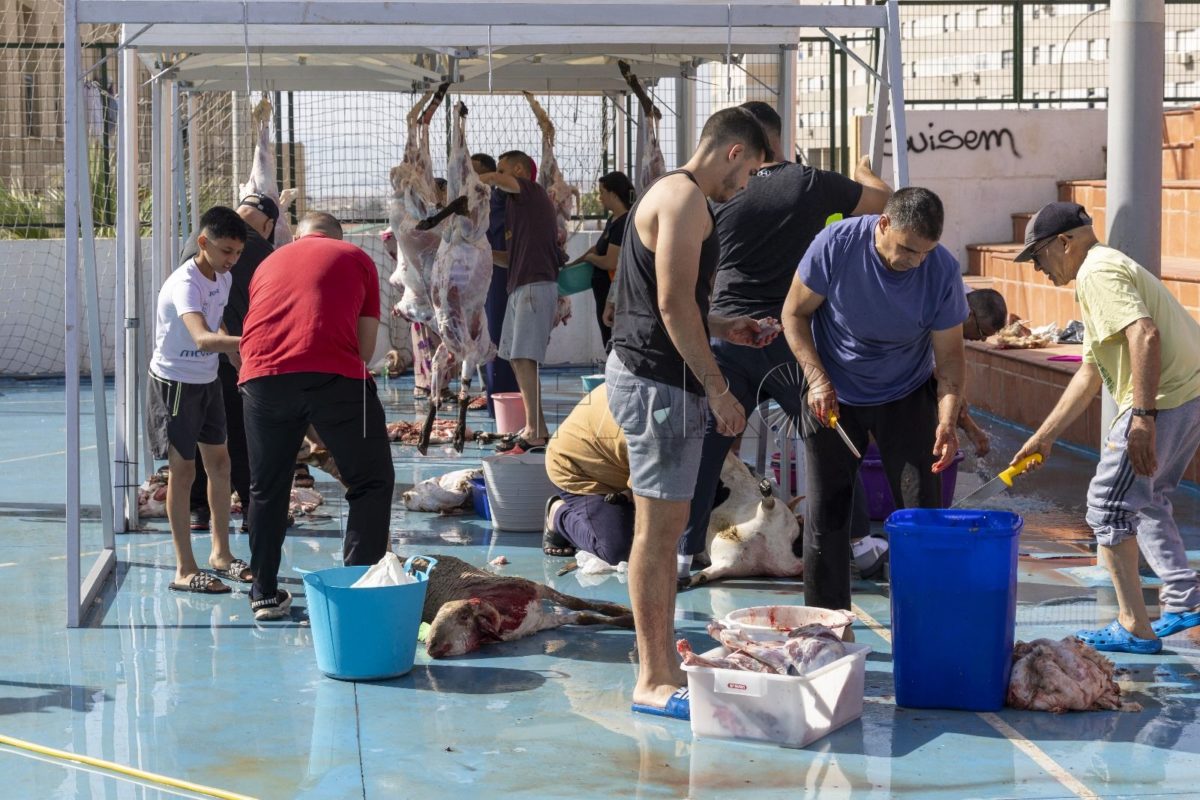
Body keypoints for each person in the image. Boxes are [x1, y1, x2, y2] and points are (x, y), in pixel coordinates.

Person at [607, 106, 772, 719]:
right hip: (660, 387)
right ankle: (653, 676)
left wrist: (726, 326)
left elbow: (671, 304)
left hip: (654, 379)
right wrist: (719, 389)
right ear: (733, 152)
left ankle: (660, 664)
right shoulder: (684, 200)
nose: (745, 186)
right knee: (659, 534)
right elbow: (673, 305)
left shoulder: (669, 193)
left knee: (664, 528)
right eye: (749, 172)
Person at [679, 100, 891, 572]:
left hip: (726, 333)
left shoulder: (714, 191)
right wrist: (862, 170)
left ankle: (684, 550)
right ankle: (858, 545)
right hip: (787, 339)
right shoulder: (811, 183)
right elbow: (886, 203)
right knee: (828, 439)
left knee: (709, 445)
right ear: (775, 139)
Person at [1009, 201, 1200, 654]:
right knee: (1146, 497)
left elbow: (1145, 334)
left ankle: (1134, 626)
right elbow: (1090, 370)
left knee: (1107, 507)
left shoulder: (1097, 272)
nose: (1037, 268)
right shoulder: (1102, 269)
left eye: (1038, 256)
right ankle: (1184, 599)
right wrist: (1044, 436)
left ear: (1064, 243)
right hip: (1188, 394)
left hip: (1163, 400)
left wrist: (1142, 418)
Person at [781, 187, 968, 616]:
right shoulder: (837, 244)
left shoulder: (941, 270)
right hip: (832, 391)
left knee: (923, 514)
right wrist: (816, 379)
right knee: (828, 514)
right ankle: (826, 625)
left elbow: (951, 358)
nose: (915, 262)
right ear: (883, 224)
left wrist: (946, 419)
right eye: (908, 250)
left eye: (925, 252)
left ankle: (925, 617)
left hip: (906, 393)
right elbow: (794, 313)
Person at [239, 212, 395, 621]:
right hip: (336, 379)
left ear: (299, 236)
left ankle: (264, 593)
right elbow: (364, 350)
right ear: (337, 238)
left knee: (267, 487)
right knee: (371, 482)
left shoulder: (268, 262)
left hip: (262, 378)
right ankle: (359, 589)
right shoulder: (357, 258)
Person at [147, 205, 251, 594]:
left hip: (207, 381)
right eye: (226, 251)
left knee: (220, 463)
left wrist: (236, 356)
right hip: (176, 384)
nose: (232, 259)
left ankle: (221, 554)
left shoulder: (222, 277)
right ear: (203, 242)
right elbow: (202, 339)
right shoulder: (185, 284)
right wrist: (253, 341)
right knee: (183, 471)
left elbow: (216, 322)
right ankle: (184, 568)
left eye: (237, 252)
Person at [184, 194, 279, 534]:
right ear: (268, 225)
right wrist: (245, 348)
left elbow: (213, 309)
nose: (232, 259)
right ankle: (254, 509)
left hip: (193, 363)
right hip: (234, 356)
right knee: (241, 434)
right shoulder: (264, 252)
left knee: (199, 437)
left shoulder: (200, 242)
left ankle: (198, 509)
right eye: (229, 252)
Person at [478, 150, 564, 453]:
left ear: (517, 170)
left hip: (534, 286)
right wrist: (479, 251)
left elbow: (494, 178)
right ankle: (536, 428)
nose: (498, 179)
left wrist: (473, 183)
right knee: (516, 357)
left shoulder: (530, 191)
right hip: (519, 287)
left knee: (524, 357)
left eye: (503, 171)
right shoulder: (517, 210)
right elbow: (507, 258)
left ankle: (535, 430)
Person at [543, 385, 633, 562]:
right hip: (579, 470)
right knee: (619, 551)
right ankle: (559, 514)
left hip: (620, 466)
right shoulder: (646, 428)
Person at [471, 152, 520, 417]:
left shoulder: (500, 199)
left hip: (501, 276)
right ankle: (498, 400)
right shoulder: (482, 202)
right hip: (487, 275)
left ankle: (505, 403)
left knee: (499, 338)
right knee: (489, 336)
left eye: (476, 171)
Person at [569, 171, 635, 347]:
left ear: (614, 194)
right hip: (602, 291)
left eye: (602, 192)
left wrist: (591, 259)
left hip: (613, 294)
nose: (600, 198)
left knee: (612, 340)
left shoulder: (624, 222)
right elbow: (598, 249)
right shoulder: (613, 220)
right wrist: (574, 264)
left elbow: (609, 262)